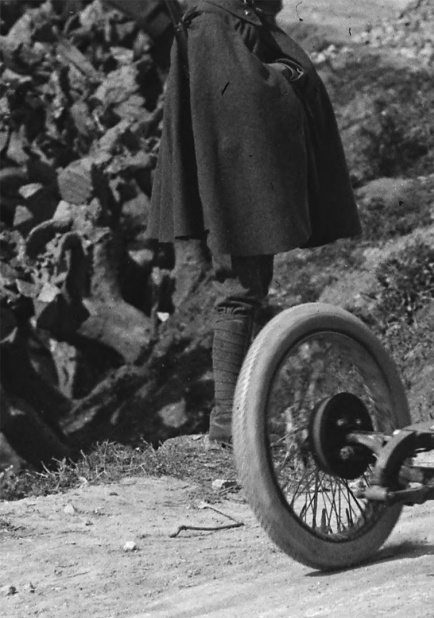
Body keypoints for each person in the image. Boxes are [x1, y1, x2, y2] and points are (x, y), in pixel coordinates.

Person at [148, 0, 361, 445]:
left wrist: (284, 72)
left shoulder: (226, 13)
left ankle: (233, 416)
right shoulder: (212, 19)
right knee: (239, 290)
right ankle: (228, 417)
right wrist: (287, 76)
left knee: (247, 286)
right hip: (231, 178)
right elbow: (240, 96)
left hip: (234, 173)